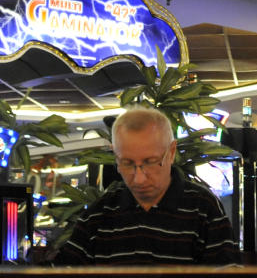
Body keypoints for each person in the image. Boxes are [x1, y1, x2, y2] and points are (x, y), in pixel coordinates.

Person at [54, 107, 239, 266]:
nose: (139, 179)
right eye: (127, 163)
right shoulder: (98, 215)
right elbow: (61, 277)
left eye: (150, 162)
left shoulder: (203, 208)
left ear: (171, 152)